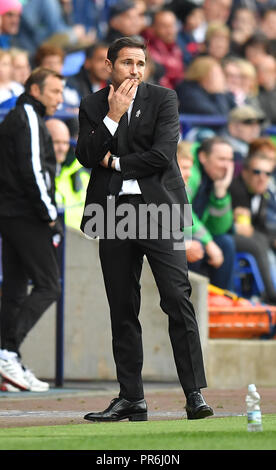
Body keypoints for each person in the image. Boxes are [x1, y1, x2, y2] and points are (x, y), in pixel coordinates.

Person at [76, 36, 213, 421]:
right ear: (109, 66)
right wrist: (112, 116)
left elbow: (162, 155)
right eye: (126, 63)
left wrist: (115, 163)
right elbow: (86, 155)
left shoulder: (164, 99)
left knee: (177, 299)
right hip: (112, 212)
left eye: (140, 63)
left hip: (160, 211)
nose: (134, 71)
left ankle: (194, 394)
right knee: (122, 306)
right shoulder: (91, 105)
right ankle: (131, 398)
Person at [0, 67, 64, 392]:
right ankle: (6, 350)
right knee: (49, 286)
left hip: (11, 214)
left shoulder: (19, 116)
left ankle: (8, 361)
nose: (60, 99)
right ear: (36, 90)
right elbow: (34, 169)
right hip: (27, 214)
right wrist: (50, 214)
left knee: (13, 289)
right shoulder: (26, 116)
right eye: (54, 92)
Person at [185, 137, 235, 291]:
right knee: (196, 247)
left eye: (230, 160)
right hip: (175, 234)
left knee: (226, 242)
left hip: (193, 234)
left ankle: (221, 300)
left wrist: (220, 194)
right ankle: (190, 302)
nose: (226, 166)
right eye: (221, 159)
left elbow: (219, 228)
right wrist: (208, 242)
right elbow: (181, 212)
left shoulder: (213, 178)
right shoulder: (189, 172)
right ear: (203, 157)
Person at [230, 152, 276, 304]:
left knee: (264, 238)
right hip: (227, 234)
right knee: (258, 242)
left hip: (249, 233)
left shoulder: (261, 193)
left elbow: (259, 227)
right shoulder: (236, 189)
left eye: (267, 173)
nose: (262, 177)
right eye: (257, 172)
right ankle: (270, 294)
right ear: (245, 172)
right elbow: (245, 228)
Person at [46, 118, 90, 231]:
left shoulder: (82, 176)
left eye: (65, 143)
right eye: (56, 142)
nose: (61, 148)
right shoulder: (37, 176)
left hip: (84, 240)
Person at [142, 9, 184, 89]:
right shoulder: (147, 50)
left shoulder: (177, 47)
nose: (170, 31)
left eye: (172, 25)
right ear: (152, 28)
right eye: (164, 26)